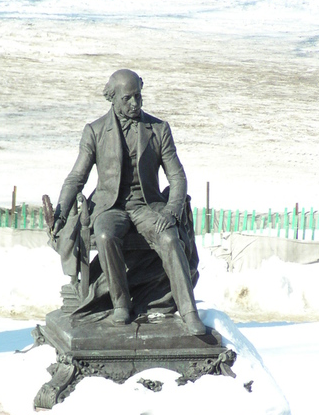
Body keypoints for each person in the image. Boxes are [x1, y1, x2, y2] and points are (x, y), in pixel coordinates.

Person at [52, 69, 205, 336]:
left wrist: (171, 211)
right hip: (111, 207)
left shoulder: (159, 129)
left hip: (147, 207)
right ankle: (120, 303)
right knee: (104, 234)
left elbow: (177, 177)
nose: (134, 104)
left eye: (138, 97)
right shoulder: (95, 131)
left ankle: (189, 311)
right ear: (112, 98)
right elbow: (77, 176)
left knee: (169, 238)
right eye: (127, 98)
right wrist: (61, 212)